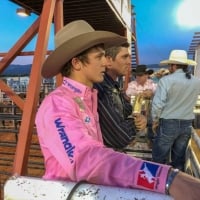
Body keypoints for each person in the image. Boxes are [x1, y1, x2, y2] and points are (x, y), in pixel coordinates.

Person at [35, 20, 200, 200]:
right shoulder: (58, 103)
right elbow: (84, 158)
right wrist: (164, 177)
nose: (105, 64)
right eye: (99, 57)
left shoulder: (85, 98)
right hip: (69, 193)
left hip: (80, 191)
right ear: (77, 63)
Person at [151, 49, 200, 172]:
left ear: (173, 65)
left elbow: (157, 105)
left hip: (168, 122)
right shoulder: (196, 81)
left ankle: (158, 185)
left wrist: (155, 120)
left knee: (159, 158)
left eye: (170, 65)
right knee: (179, 159)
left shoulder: (166, 80)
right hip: (187, 123)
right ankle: (177, 184)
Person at [94, 43, 147, 149]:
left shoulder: (113, 86)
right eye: (124, 57)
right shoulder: (103, 88)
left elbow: (127, 109)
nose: (129, 62)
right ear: (108, 61)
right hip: (105, 154)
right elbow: (120, 136)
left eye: (129, 57)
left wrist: (137, 119)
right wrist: (137, 123)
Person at [125, 65, 157, 145]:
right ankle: (133, 138)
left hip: (149, 110)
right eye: (137, 75)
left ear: (146, 75)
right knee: (134, 122)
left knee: (150, 123)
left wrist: (151, 93)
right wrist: (143, 93)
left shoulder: (151, 84)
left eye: (140, 75)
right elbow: (128, 92)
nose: (138, 77)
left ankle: (150, 140)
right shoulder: (132, 84)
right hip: (136, 110)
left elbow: (158, 91)